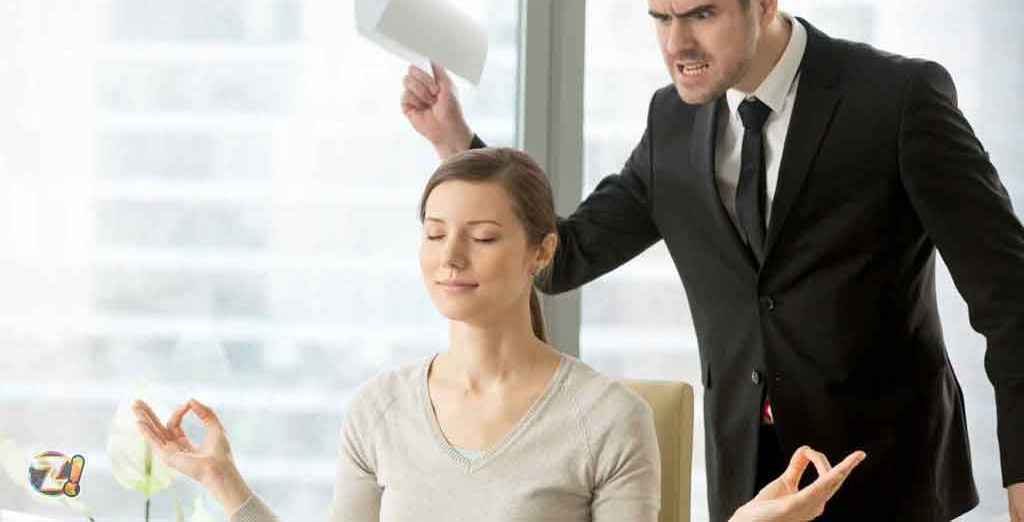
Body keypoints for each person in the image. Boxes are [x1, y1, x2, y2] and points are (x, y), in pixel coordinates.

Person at [398, 0, 1024, 521]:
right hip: (746, 484)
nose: (678, 44)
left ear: (765, 2)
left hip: (888, 479)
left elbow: (1008, 294)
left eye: (700, 14)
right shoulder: (670, 121)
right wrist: (453, 142)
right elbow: (562, 257)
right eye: (661, 19)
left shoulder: (896, 99)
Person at [133, 148, 864, 522]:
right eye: (434, 234)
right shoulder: (377, 408)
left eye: (481, 237)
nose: (450, 258)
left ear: (541, 252)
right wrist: (223, 483)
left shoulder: (611, 419)